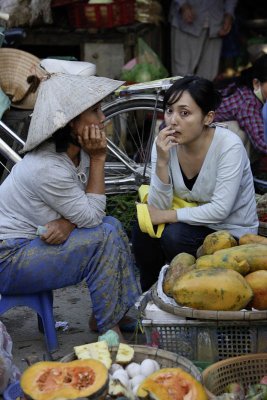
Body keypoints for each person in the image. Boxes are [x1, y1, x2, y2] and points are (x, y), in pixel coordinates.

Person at [0, 69, 141, 339]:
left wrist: (68, 222)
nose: (103, 118)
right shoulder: (47, 166)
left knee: (111, 225)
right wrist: (99, 158)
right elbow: (91, 217)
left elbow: (85, 209)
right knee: (104, 235)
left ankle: (111, 312)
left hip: (31, 244)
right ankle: (109, 330)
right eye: (96, 111)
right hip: (8, 260)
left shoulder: (76, 153)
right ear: (70, 123)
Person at [131, 75, 258, 292]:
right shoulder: (164, 144)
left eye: (185, 113)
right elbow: (157, 208)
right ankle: (151, 295)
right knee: (142, 229)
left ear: (208, 118)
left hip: (230, 232)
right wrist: (162, 162)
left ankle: (185, 291)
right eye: (170, 110)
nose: (173, 120)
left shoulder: (229, 147)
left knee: (175, 236)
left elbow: (220, 210)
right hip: (191, 222)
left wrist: (168, 216)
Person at [214, 53, 267, 170]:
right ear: (256, 83)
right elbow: (261, 143)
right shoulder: (248, 102)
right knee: (238, 131)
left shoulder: (249, 88)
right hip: (194, 136)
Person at [169, 0, 237, 81]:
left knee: (208, 77)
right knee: (181, 76)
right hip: (186, 22)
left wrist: (229, 13)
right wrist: (183, 4)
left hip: (216, 22)